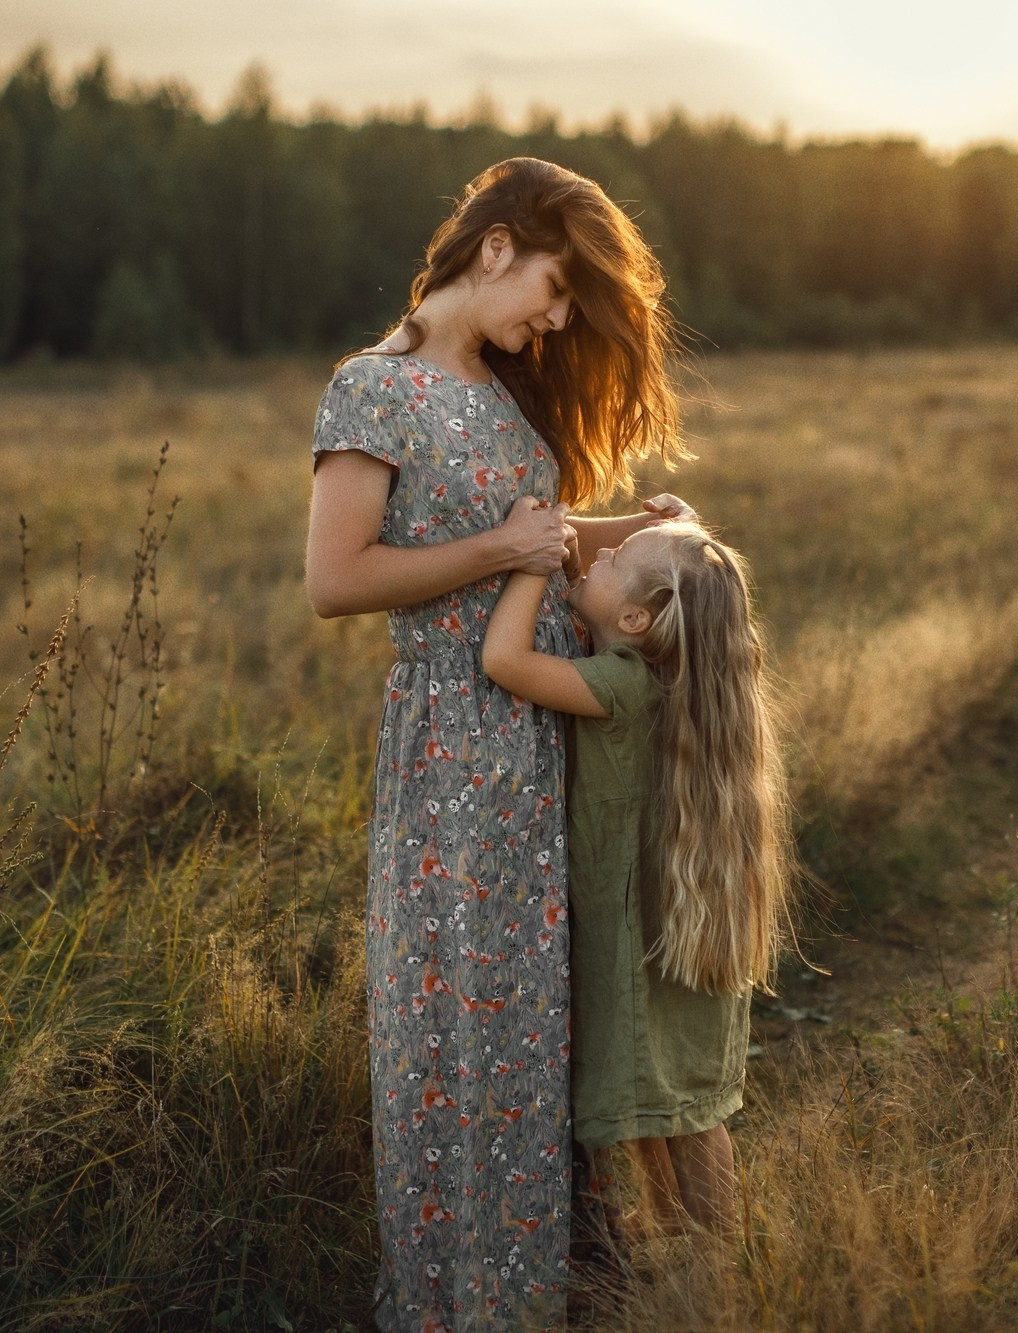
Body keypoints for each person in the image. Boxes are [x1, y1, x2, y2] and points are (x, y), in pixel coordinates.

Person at [304, 157, 691, 1332]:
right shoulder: (373, 387)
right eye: (555, 289)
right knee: (458, 1026)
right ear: (493, 248)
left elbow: (542, 539)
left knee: (541, 1028)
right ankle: (459, 1302)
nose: (557, 321)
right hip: (452, 753)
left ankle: (546, 1289)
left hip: (544, 739)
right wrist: (501, 553)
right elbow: (335, 580)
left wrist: (643, 531)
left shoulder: (504, 389)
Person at [482, 517, 793, 1243]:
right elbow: (644, 588)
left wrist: (530, 562)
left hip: (641, 939)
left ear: (635, 620)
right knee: (664, 1096)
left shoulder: (623, 683)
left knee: (680, 1109)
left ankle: (717, 1259)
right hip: (668, 927)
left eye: (616, 558)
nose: (600, 554)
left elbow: (503, 658)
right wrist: (646, 541)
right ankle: (673, 1225)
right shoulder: (672, 678)